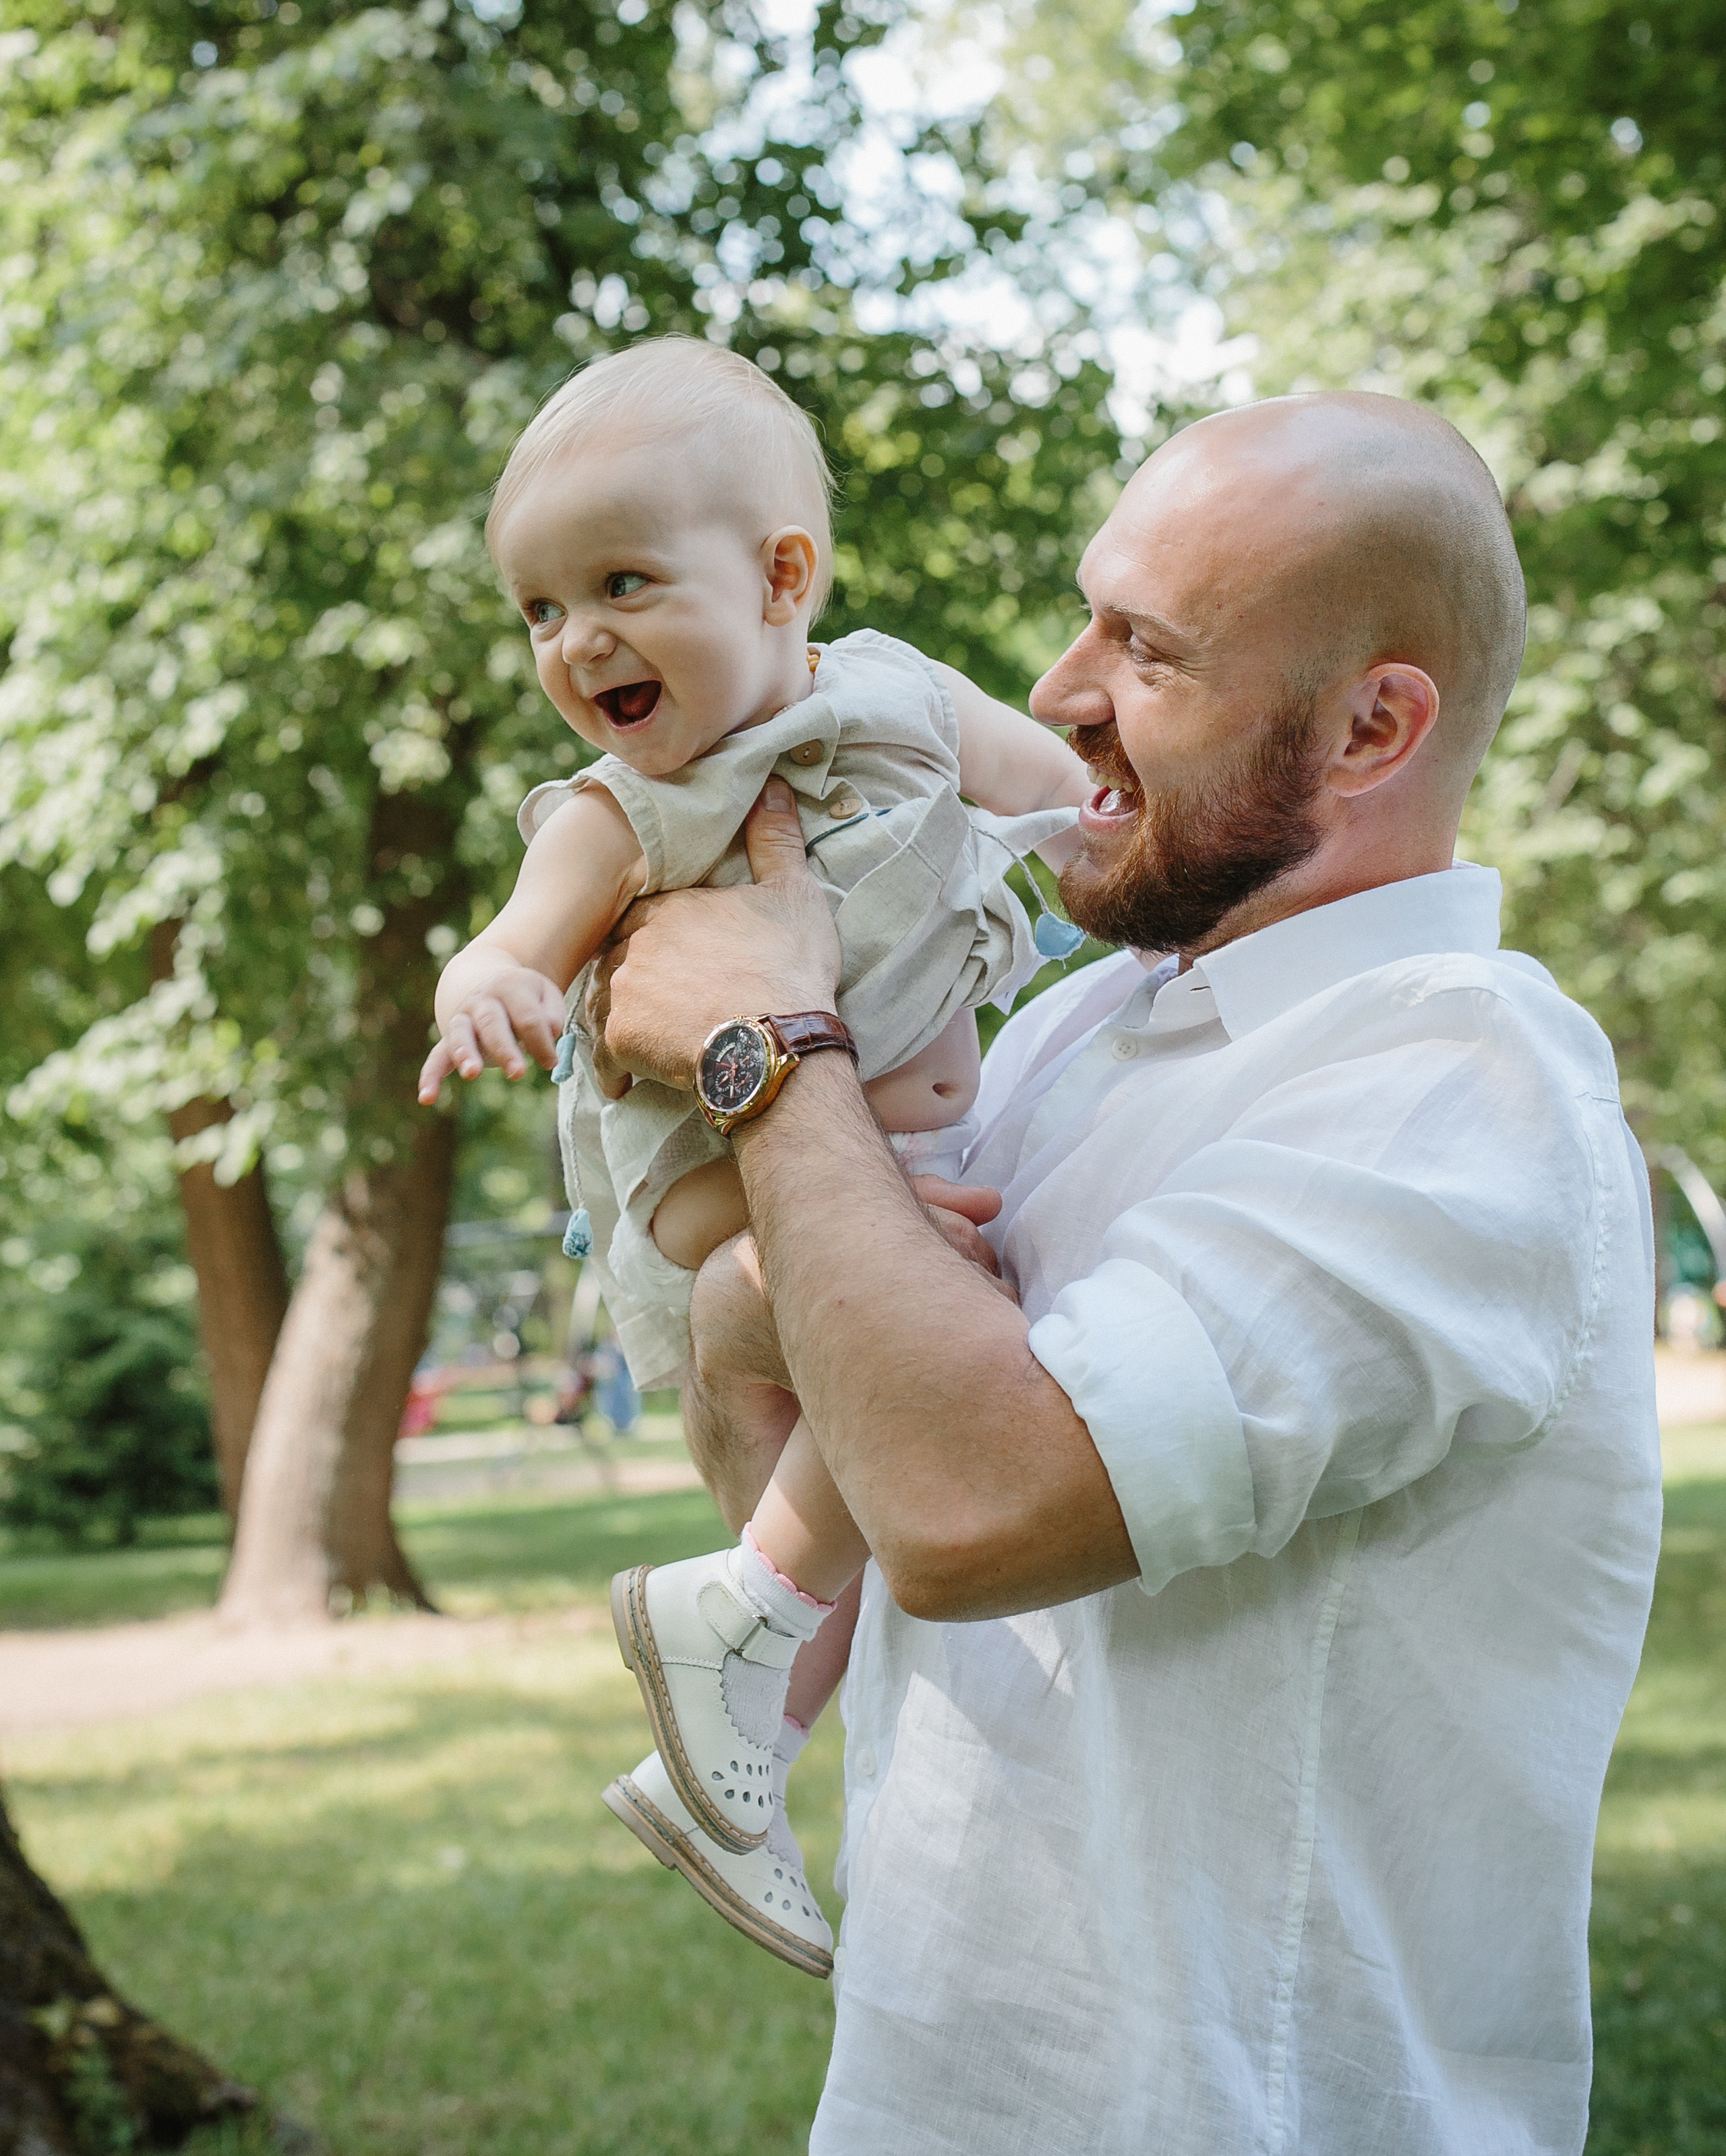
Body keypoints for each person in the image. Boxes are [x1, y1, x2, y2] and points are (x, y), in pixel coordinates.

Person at [584, 391, 1663, 2156]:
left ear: (1374, 726)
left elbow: (967, 1506)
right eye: (1089, 612)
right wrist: (741, 1297)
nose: (1061, 686)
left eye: (1145, 649)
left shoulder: (1457, 1086)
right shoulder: (1076, 1027)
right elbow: (813, 1460)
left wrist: (768, 1052)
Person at [416, 337, 1088, 1972]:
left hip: (864, 1150)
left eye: (622, 584)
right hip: (718, 1167)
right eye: (539, 611)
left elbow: (1077, 806)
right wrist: (494, 988)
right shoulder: (621, 808)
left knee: (912, 1353)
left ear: (783, 576)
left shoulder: (903, 697)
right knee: (928, 1282)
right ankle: (737, 1627)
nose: (578, 641)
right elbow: (503, 944)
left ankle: (732, 1747)